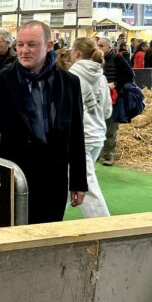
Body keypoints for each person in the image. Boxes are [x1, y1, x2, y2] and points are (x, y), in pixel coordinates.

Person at [0, 20, 87, 224]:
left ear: (48, 46)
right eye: (20, 45)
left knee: (48, 235)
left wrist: (78, 181)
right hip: (17, 177)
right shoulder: (0, 81)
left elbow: (75, 133)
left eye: (32, 44)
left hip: (54, 180)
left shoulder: (69, 83)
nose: (24, 50)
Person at [69, 37, 112, 218]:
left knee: (87, 184)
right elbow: (108, 110)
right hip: (97, 135)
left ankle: (103, 225)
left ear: (77, 53)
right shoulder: (101, 77)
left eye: (72, 50)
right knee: (72, 179)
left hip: (81, 138)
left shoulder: (72, 76)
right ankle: (48, 218)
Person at [96, 37, 135, 166]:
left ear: (109, 47)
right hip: (98, 97)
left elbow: (129, 75)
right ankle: (96, 154)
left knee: (111, 128)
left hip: (114, 98)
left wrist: (115, 84)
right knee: (97, 126)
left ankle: (108, 155)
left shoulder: (118, 58)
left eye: (101, 46)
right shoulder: (95, 59)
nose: (99, 48)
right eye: (97, 46)